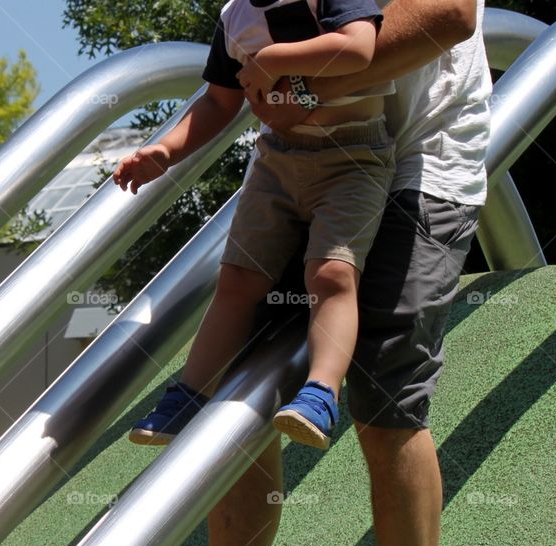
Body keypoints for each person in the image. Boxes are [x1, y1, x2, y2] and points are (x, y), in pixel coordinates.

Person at [205, 0, 491, 546]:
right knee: (243, 374)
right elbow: (231, 80)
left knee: (386, 396)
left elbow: (450, 16)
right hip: (309, 151)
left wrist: (291, 86)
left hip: (421, 155)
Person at [114, 0, 398, 451]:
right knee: (238, 278)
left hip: (353, 156)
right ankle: (189, 394)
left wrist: (272, 60)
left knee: (332, 273)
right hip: (276, 160)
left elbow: (359, 47)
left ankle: (322, 392)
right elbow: (218, 100)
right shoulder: (234, 18)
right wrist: (167, 151)